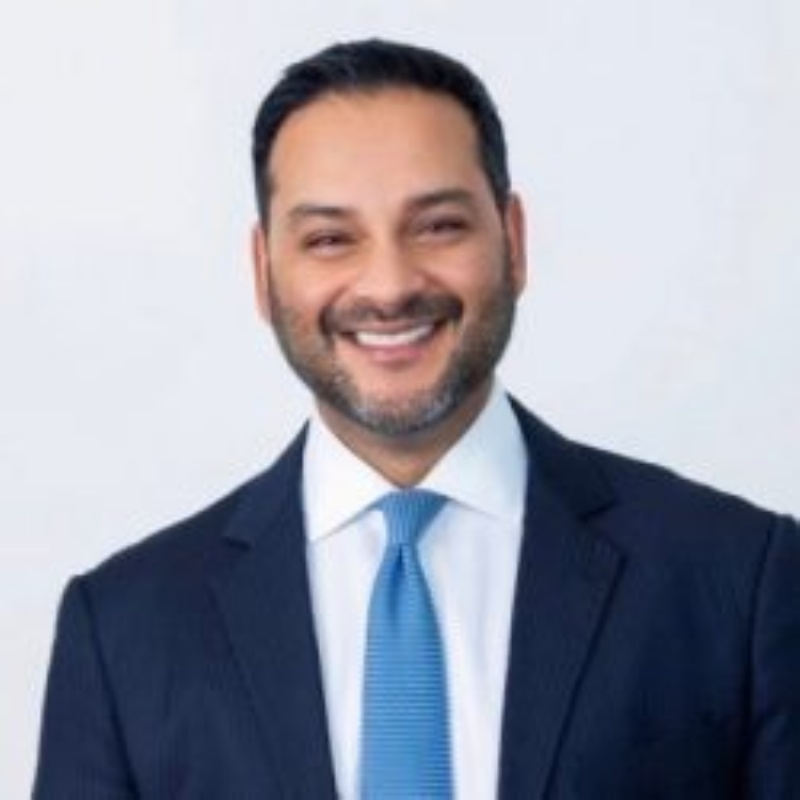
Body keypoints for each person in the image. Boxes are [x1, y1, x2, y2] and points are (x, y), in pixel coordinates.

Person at [35, 38, 799, 799]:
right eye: (330, 239)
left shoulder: (739, 578)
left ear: (514, 241)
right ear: (264, 273)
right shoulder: (125, 630)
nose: (390, 285)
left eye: (437, 226)